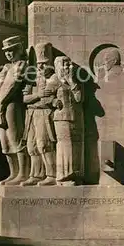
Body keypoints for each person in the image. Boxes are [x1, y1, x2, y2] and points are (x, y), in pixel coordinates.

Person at [0, 35, 29, 185]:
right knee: (5, 143)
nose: (8, 54)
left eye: (11, 50)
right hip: (0, 106)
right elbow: (0, 87)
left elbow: (12, 86)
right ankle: (13, 173)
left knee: (15, 138)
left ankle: (23, 173)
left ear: (19, 49)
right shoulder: (7, 67)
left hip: (11, 104)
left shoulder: (21, 64)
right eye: (6, 51)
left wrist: (0, 103)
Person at [21, 42, 57, 186]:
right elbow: (24, 99)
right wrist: (39, 95)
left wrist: (35, 99)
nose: (41, 66)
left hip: (44, 114)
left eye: (44, 63)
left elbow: (47, 100)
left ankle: (51, 175)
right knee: (31, 146)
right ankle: (36, 175)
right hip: (31, 114)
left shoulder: (54, 78)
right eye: (39, 63)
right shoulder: (32, 78)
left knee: (44, 144)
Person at [48, 56, 84, 185]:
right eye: (65, 65)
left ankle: (75, 173)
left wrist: (71, 81)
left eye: (69, 65)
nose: (69, 68)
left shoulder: (75, 82)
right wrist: (53, 101)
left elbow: (79, 99)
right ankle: (63, 176)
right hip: (61, 118)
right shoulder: (54, 81)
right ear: (58, 66)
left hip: (75, 117)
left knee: (76, 145)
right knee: (65, 146)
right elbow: (44, 97)